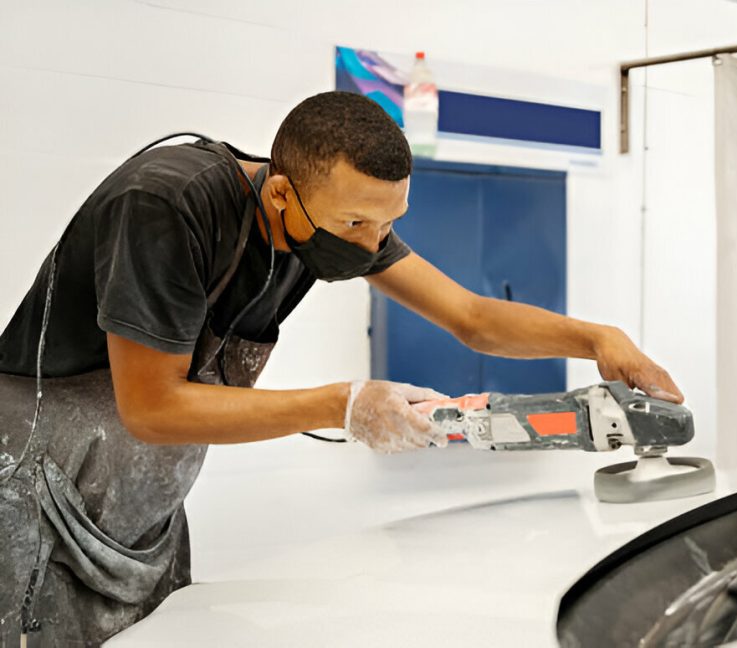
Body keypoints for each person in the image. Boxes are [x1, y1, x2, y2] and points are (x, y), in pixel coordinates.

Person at [0, 90, 682, 646]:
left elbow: (472, 317)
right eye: (357, 225)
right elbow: (150, 408)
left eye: (388, 223)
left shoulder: (337, 220)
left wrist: (597, 338)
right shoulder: (166, 205)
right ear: (279, 197)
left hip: (141, 509)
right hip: (33, 488)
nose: (374, 243)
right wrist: (344, 405)